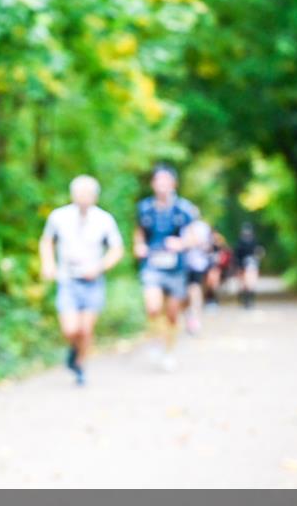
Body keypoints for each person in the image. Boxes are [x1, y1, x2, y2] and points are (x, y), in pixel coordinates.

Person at [39, 175, 123, 385]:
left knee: (86, 329)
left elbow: (117, 249)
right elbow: (47, 241)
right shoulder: (59, 217)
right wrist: (48, 264)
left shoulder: (104, 219)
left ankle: (79, 365)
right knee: (70, 329)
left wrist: (100, 267)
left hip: (93, 282)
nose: (83, 197)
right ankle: (74, 350)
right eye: (79, 193)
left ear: (95, 196)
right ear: (72, 194)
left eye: (87, 193)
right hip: (67, 280)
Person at [133, 164, 198, 372]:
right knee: (152, 307)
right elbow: (139, 234)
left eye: (166, 180)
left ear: (173, 184)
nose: (162, 184)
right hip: (152, 265)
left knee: (172, 314)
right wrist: (139, 246)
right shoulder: (144, 208)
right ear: (153, 184)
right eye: (158, 180)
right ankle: (157, 340)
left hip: (176, 268)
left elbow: (194, 237)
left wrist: (181, 243)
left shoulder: (184, 208)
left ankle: (168, 351)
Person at [183, 216, 213, 334]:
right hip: (179, 266)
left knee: (194, 290)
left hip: (196, 265)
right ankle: (189, 316)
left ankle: (195, 318)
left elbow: (205, 244)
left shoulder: (202, 227)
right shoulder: (178, 223)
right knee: (184, 294)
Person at [234, 222, 263, 308]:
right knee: (245, 284)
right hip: (244, 265)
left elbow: (259, 253)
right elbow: (237, 255)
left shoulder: (253, 242)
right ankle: (247, 300)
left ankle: (248, 300)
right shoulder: (241, 242)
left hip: (251, 265)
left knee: (250, 283)